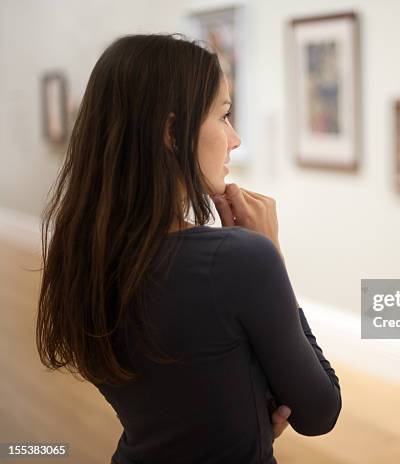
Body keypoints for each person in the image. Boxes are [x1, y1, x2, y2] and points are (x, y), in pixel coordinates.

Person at [36, 33, 341, 464]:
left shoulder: (82, 256)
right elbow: (319, 411)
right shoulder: (240, 260)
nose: (234, 139)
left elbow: (181, 395)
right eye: (224, 116)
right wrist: (272, 252)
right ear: (171, 131)